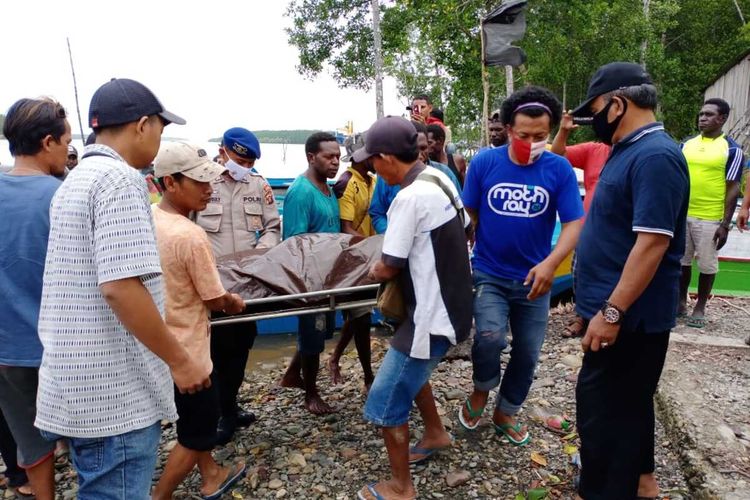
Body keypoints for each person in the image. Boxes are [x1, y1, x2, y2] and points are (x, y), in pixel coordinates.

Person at [36, 78, 210, 500]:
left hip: (73, 382)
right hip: (114, 394)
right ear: (142, 125)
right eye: (161, 130)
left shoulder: (73, 181)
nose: (159, 138)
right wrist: (180, 360)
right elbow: (119, 287)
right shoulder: (121, 181)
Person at [571, 62, 689, 499]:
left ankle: (606, 489)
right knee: (629, 403)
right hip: (616, 312)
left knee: (604, 413)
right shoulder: (628, 149)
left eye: (597, 109)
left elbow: (653, 244)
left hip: (629, 317)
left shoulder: (656, 156)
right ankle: (641, 482)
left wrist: (612, 311)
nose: (595, 120)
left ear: (618, 104)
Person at [458, 87, 584, 446]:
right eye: (523, 135)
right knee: (488, 337)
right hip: (490, 273)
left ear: (550, 132)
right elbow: (472, 212)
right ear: (508, 129)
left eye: (540, 136)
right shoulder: (485, 162)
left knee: (527, 351)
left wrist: (550, 264)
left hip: (536, 279)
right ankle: (482, 389)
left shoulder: (558, 168)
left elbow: (574, 223)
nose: (531, 142)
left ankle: (507, 410)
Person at [356, 117, 472, 500]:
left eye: (373, 161)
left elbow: (388, 265)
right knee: (413, 371)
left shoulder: (408, 197)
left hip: (430, 316)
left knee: (385, 401)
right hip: (455, 304)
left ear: (387, 158)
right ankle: (436, 433)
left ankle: (401, 488)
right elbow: (466, 225)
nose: (372, 168)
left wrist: (370, 266)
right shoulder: (439, 179)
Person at [151, 142, 247, 500]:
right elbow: (214, 299)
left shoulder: (151, 217)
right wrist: (233, 301)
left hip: (159, 343)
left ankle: (211, 474)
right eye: (199, 182)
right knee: (199, 429)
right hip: (189, 352)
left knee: (190, 420)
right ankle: (159, 496)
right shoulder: (190, 236)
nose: (209, 189)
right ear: (171, 182)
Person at [0, 97, 70, 500]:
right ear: (47, 142)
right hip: (53, 346)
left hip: (5, 348)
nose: (65, 151)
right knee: (84, 433)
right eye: (64, 142)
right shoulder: (60, 196)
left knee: (28, 438)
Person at [195, 127, 281, 444]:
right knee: (215, 351)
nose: (243, 166)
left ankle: (230, 405)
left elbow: (273, 227)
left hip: (247, 285)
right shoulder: (202, 183)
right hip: (211, 284)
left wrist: (260, 254)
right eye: (239, 159)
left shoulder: (257, 185)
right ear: (224, 151)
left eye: (248, 162)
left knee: (242, 347)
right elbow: (187, 227)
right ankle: (220, 413)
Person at [278, 132, 342, 415]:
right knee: (312, 333)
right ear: (311, 157)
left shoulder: (328, 190)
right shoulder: (301, 192)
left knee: (322, 331)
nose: (335, 162)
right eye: (329, 157)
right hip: (310, 279)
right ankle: (311, 394)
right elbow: (294, 243)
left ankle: (292, 375)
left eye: (338, 157)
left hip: (330, 276)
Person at [678, 98, 745, 328]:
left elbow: (733, 187)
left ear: (722, 119)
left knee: (706, 265)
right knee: (681, 262)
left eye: (708, 114)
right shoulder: (686, 144)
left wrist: (725, 224)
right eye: (701, 114)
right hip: (682, 214)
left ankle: (700, 306)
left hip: (710, 217)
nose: (702, 118)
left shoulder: (733, 150)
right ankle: (680, 302)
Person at [550, 112, 612, 338]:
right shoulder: (594, 149)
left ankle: (608, 317)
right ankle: (582, 316)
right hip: (588, 225)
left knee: (612, 274)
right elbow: (558, 155)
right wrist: (564, 130)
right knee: (580, 272)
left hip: (618, 228)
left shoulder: (633, 152)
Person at [327, 133, 376, 389]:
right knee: (361, 317)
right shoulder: (346, 183)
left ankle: (334, 358)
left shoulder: (371, 180)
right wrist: (373, 248)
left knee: (360, 315)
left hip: (369, 255)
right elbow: (345, 228)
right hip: (354, 257)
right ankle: (368, 375)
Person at [369, 121, 461, 235]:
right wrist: (390, 232)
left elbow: (460, 213)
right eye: (413, 149)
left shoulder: (444, 174)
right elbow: (377, 213)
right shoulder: (387, 178)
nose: (418, 154)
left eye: (423, 148)